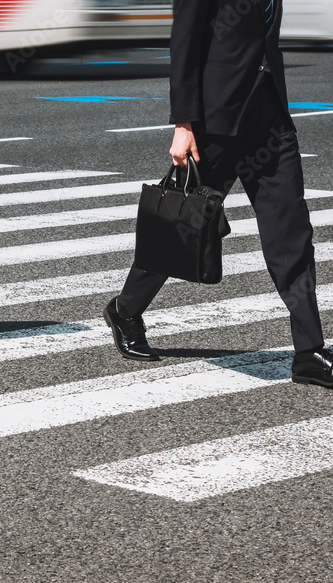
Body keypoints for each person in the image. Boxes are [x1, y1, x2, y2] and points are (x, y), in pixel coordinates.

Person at [104, 0, 333, 388]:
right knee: (183, 226)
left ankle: (309, 351)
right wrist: (183, 123)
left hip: (270, 119)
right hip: (215, 121)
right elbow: (185, 40)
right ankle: (125, 310)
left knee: (292, 233)